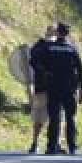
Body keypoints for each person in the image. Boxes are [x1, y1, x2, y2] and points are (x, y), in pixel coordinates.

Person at [31, 22, 82, 155]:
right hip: (69, 89)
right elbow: (81, 70)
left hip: (53, 87)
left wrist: (44, 73)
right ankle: (72, 146)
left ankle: (51, 146)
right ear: (67, 34)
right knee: (70, 118)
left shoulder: (48, 48)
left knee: (54, 117)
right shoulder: (72, 49)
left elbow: (33, 61)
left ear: (58, 33)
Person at [24, 25, 57, 153]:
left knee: (48, 118)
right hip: (46, 87)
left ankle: (46, 143)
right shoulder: (42, 47)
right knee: (43, 117)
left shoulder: (38, 47)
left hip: (47, 88)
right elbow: (32, 63)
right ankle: (38, 142)